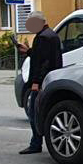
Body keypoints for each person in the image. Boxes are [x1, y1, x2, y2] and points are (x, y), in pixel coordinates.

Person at [19, 11, 62, 155]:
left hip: (41, 80)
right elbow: (42, 56)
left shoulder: (42, 37)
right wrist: (29, 51)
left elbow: (41, 62)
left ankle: (36, 143)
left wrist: (36, 82)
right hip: (51, 77)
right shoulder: (51, 34)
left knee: (34, 112)